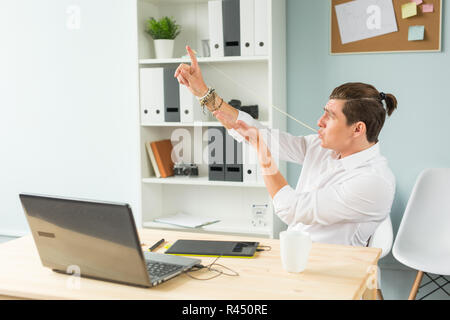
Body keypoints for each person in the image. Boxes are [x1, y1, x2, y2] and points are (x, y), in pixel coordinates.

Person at [174, 45, 397, 247]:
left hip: (331, 277)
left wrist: (263, 155)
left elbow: (291, 209)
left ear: (357, 129)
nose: (319, 122)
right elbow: (258, 132)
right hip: (297, 257)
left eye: (330, 116)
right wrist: (203, 92)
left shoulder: (373, 181)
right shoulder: (322, 148)